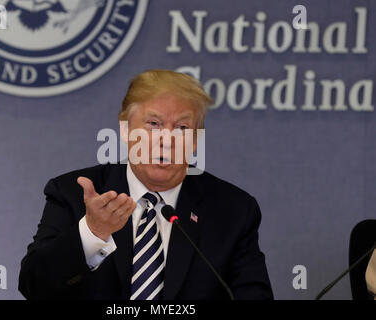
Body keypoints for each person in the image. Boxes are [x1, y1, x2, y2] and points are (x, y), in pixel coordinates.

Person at [18, 69, 273, 300]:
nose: (166, 139)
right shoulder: (73, 194)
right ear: (126, 129)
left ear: (195, 141)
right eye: (153, 124)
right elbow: (35, 287)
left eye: (182, 127)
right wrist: (93, 232)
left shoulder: (233, 210)